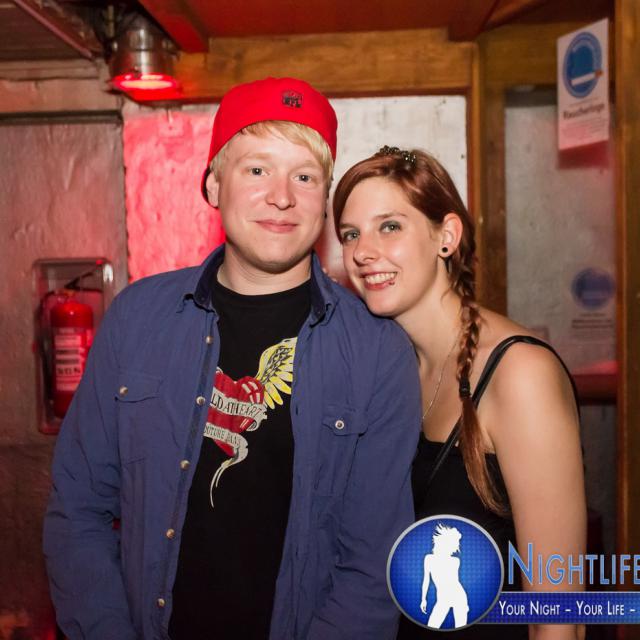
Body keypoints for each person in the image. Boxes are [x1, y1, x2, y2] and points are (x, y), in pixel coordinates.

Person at [43, 80, 422, 640]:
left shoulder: (377, 352)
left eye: (304, 176)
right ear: (214, 184)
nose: (282, 197)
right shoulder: (137, 319)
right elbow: (78, 511)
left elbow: (371, 567)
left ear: (324, 196)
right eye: (257, 169)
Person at [332, 146, 586, 639]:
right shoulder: (392, 369)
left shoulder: (519, 374)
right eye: (350, 234)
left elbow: (560, 618)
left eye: (390, 226)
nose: (363, 251)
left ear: (446, 236)